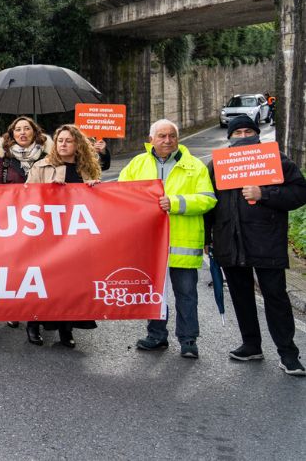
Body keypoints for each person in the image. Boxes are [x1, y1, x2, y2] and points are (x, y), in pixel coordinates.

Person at [205, 116, 306, 376]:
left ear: (257, 134)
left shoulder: (276, 160)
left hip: (266, 241)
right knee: (241, 296)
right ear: (229, 137)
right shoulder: (216, 165)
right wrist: (206, 238)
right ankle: (251, 345)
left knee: (275, 297)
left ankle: (288, 354)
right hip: (229, 241)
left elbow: (300, 192)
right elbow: (207, 202)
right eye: (237, 132)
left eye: (248, 131)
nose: (243, 136)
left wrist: (265, 194)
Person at [119, 119, 217, 359]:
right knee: (155, 294)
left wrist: (175, 203)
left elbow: (208, 199)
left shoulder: (194, 166)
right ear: (151, 139)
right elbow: (120, 193)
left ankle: (188, 340)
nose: (167, 140)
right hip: (151, 244)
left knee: (187, 295)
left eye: (172, 136)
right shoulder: (137, 164)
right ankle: (156, 336)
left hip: (183, 243)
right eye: (162, 136)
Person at [24, 125, 102, 348]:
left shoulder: (87, 169)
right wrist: (48, 190)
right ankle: (33, 324)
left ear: (78, 144)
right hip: (46, 235)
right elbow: (25, 198)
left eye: (69, 140)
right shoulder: (41, 166)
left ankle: (66, 330)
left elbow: (97, 205)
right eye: (60, 140)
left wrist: (95, 188)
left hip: (76, 236)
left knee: (70, 283)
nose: (63, 144)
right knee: (42, 282)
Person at [0, 116, 51, 185]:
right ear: (13, 134)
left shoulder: (47, 157)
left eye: (27, 129)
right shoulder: (3, 158)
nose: (23, 132)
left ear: (34, 132)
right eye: (18, 129)